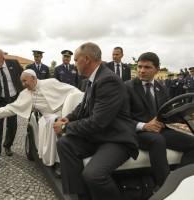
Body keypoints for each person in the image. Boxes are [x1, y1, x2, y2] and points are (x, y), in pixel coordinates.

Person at [53, 42, 139, 200]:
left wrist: (65, 127)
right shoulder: (93, 79)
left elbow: (98, 122)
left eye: (76, 59)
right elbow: (83, 105)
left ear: (86, 59)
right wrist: (69, 117)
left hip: (116, 138)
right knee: (64, 144)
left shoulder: (108, 80)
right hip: (100, 135)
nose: (74, 63)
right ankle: (81, 196)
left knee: (93, 175)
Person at [0, 69, 81, 176]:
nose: (23, 84)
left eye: (25, 81)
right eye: (22, 82)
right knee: (53, 122)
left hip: (65, 113)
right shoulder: (25, 94)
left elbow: (72, 90)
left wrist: (85, 98)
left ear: (33, 78)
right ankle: (58, 162)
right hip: (47, 118)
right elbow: (12, 108)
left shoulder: (51, 82)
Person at [125, 52, 194, 189]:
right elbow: (121, 118)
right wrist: (144, 126)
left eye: (147, 67)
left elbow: (165, 112)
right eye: (139, 66)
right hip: (137, 131)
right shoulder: (127, 87)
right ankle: (165, 187)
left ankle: (180, 180)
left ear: (157, 69)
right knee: (158, 140)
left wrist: (182, 119)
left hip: (159, 130)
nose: (142, 70)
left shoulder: (161, 87)